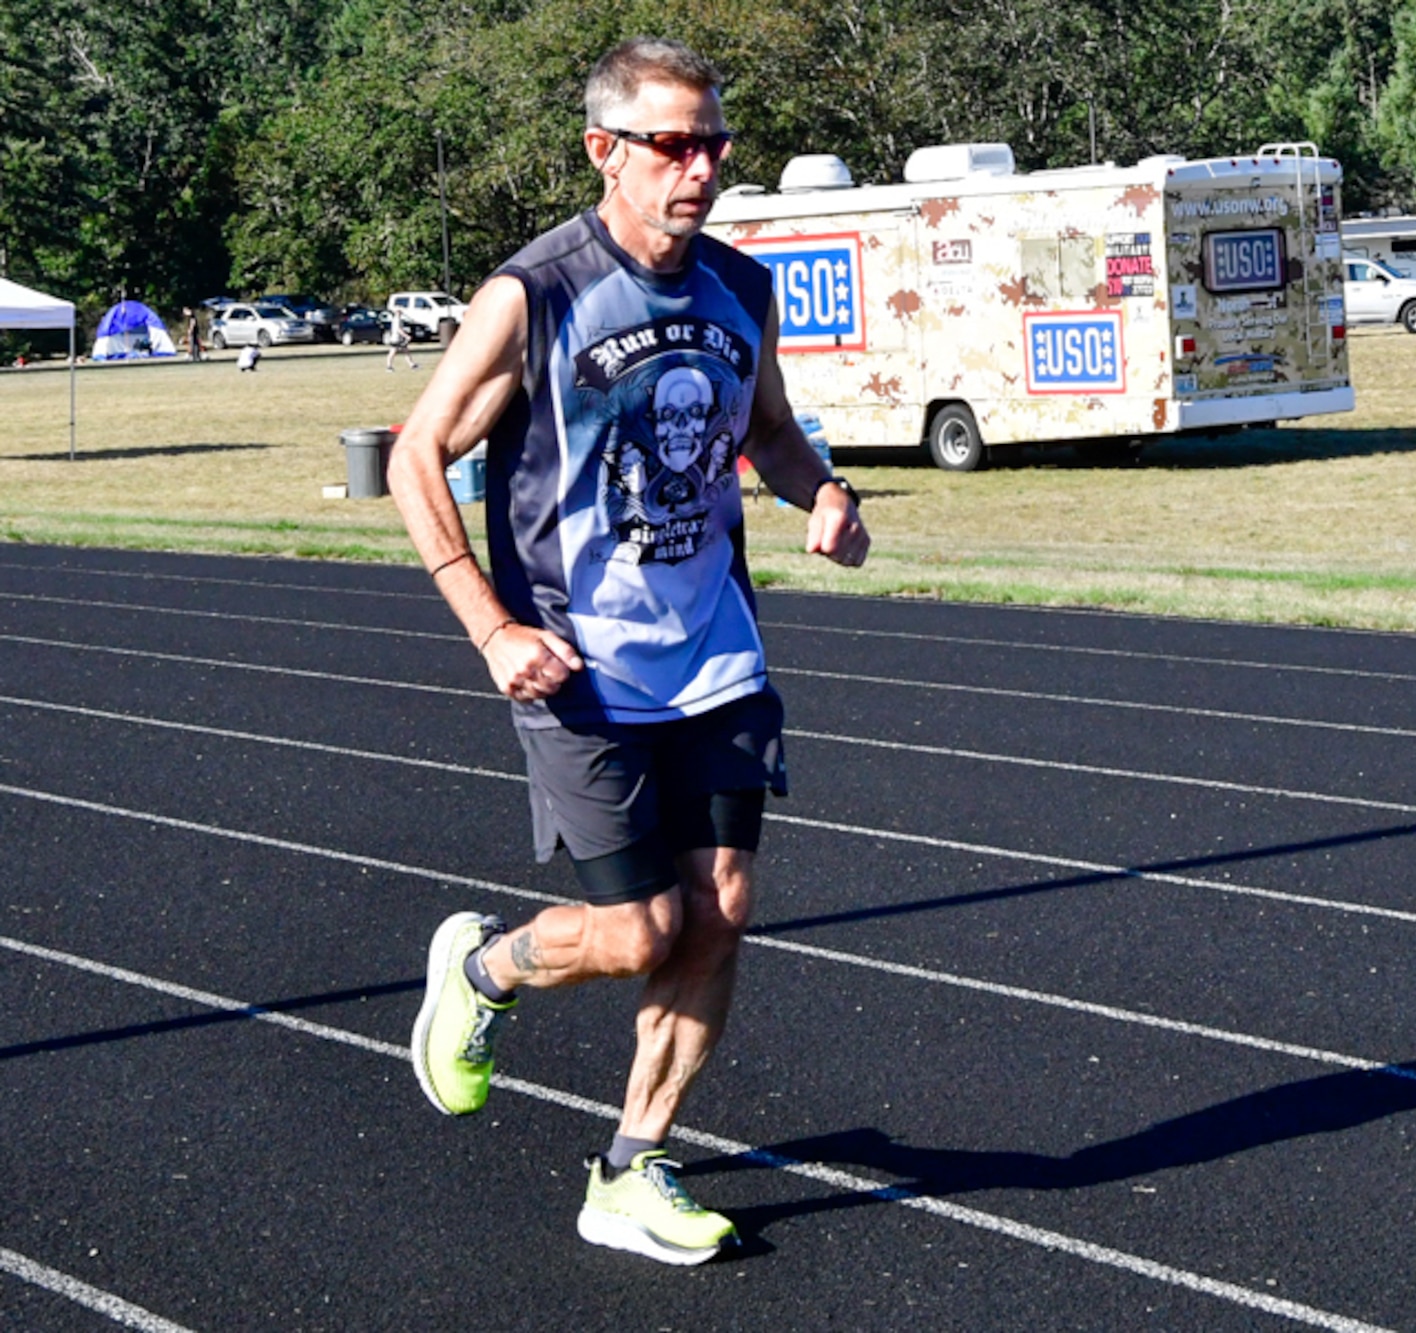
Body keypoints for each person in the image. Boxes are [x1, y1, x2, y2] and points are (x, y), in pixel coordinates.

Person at [388, 36, 870, 1269]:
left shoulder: (736, 290)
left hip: (713, 652)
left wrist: (822, 494)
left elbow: (769, 434)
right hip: (576, 664)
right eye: (672, 144)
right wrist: (489, 624)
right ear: (605, 151)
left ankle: (631, 1164)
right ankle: (486, 969)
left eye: (713, 142)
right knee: (639, 930)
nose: (700, 166)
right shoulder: (537, 293)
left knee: (720, 911)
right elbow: (415, 452)